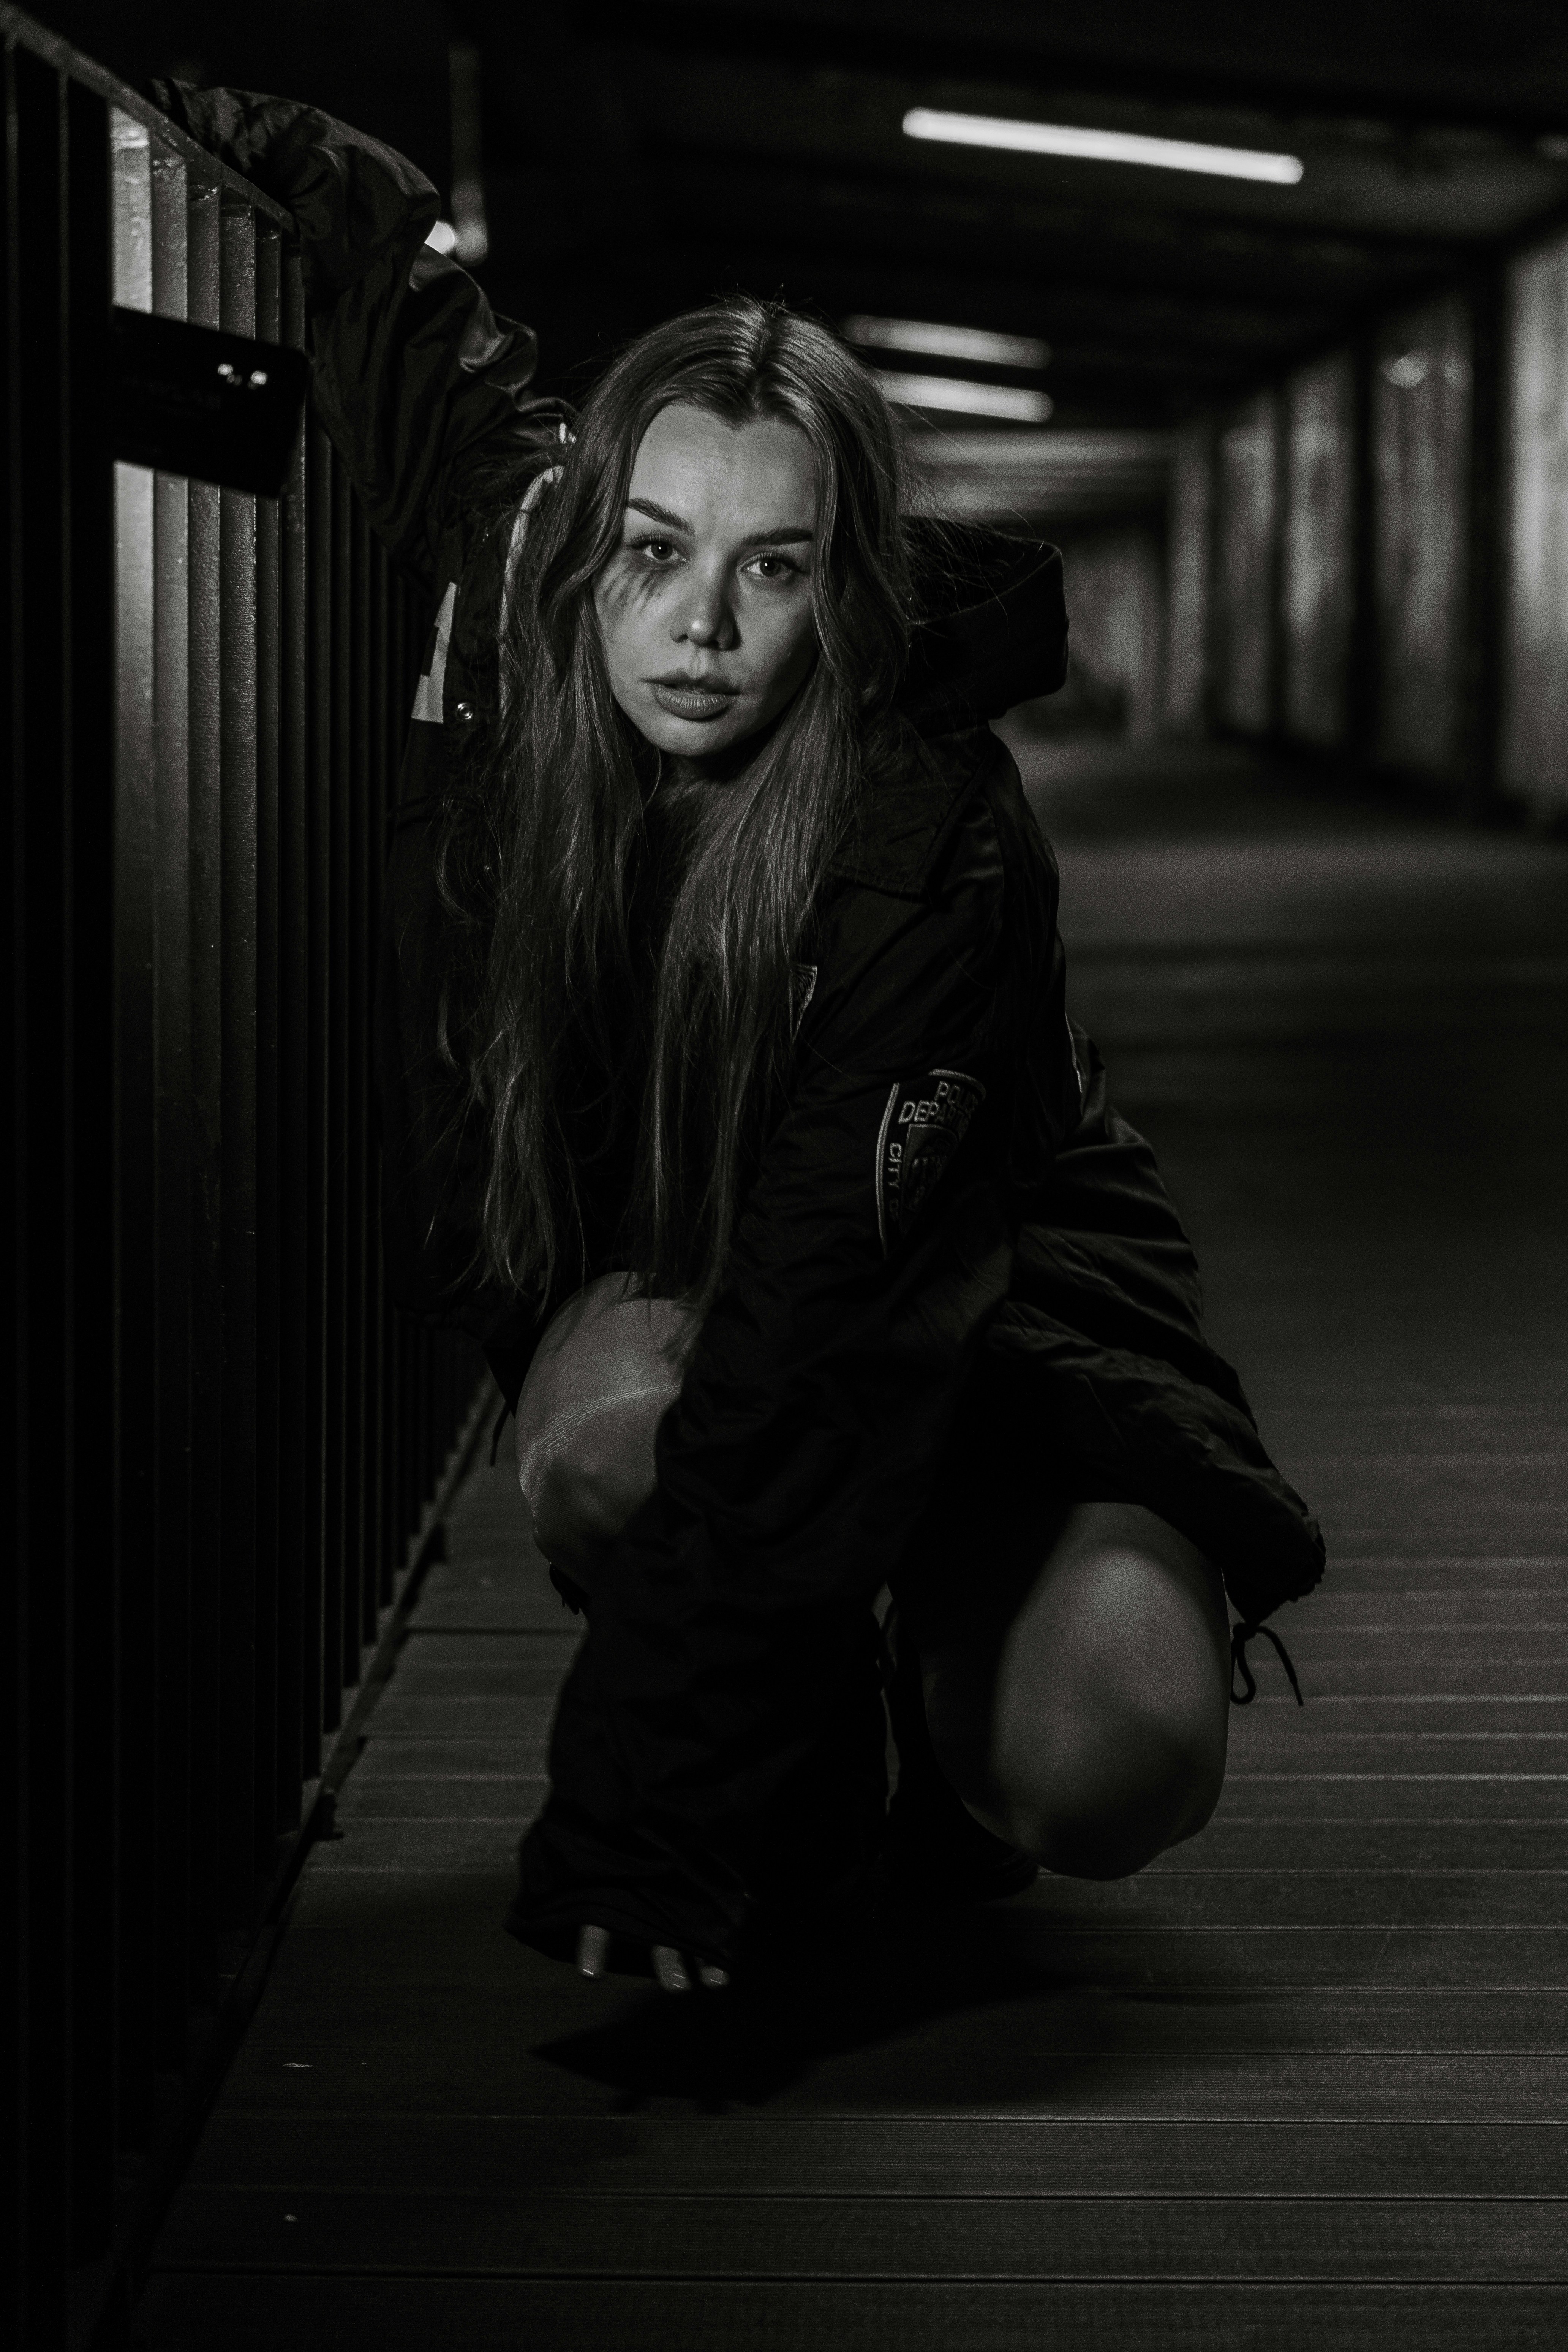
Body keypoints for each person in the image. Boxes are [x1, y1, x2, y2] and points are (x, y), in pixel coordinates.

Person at [150, 81, 1325, 1997]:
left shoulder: (926, 834)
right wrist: (209, 122)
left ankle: (931, 1683)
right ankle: (817, 1745)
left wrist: (642, 1808)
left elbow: (818, 1325)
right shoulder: (511, 583)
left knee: (1106, 1759)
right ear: (585, 542)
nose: (697, 623)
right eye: (654, 549)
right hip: (703, 1289)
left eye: (771, 568)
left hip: (987, 1304)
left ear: (839, 594)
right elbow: (406, 310)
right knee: (620, 1442)